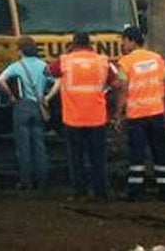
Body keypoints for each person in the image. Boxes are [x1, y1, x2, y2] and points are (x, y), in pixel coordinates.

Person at [47, 30, 122, 201]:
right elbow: (117, 82)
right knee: (98, 158)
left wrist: (66, 53)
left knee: (76, 159)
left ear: (73, 44)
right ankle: (101, 193)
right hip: (97, 118)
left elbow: (49, 70)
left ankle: (79, 193)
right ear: (90, 44)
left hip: (73, 119)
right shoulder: (102, 61)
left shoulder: (65, 61)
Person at [115, 25, 165, 201]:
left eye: (124, 42)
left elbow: (123, 92)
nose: (123, 46)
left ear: (131, 41)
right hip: (157, 114)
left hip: (137, 117)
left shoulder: (126, 62)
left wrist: (118, 115)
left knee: (137, 155)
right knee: (160, 153)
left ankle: (135, 192)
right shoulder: (157, 59)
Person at [0, 36, 52, 191]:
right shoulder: (43, 65)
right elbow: (56, 80)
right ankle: (42, 182)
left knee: (23, 147)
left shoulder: (17, 66)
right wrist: (48, 96)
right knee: (39, 145)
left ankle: (26, 182)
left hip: (22, 106)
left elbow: (0, 80)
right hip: (39, 106)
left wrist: (11, 96)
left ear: (20, 50)